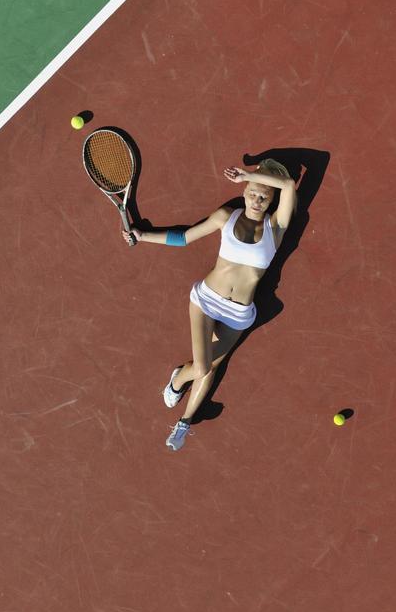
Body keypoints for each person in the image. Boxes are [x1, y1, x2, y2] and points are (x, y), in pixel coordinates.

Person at [123, 159, 296, 450]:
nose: (257, 199)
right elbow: (185, 237)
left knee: (213, 366)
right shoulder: (225, 217)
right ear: (244, 192)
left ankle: (184, 422)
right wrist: (143, 236)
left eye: (265, 196)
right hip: (206, 301)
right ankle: (178, 380)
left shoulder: (275, 227)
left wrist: (250, 175)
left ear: (272, 200)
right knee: (202, 367)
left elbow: (290, 185)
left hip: (239, 314)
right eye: (253, 192)